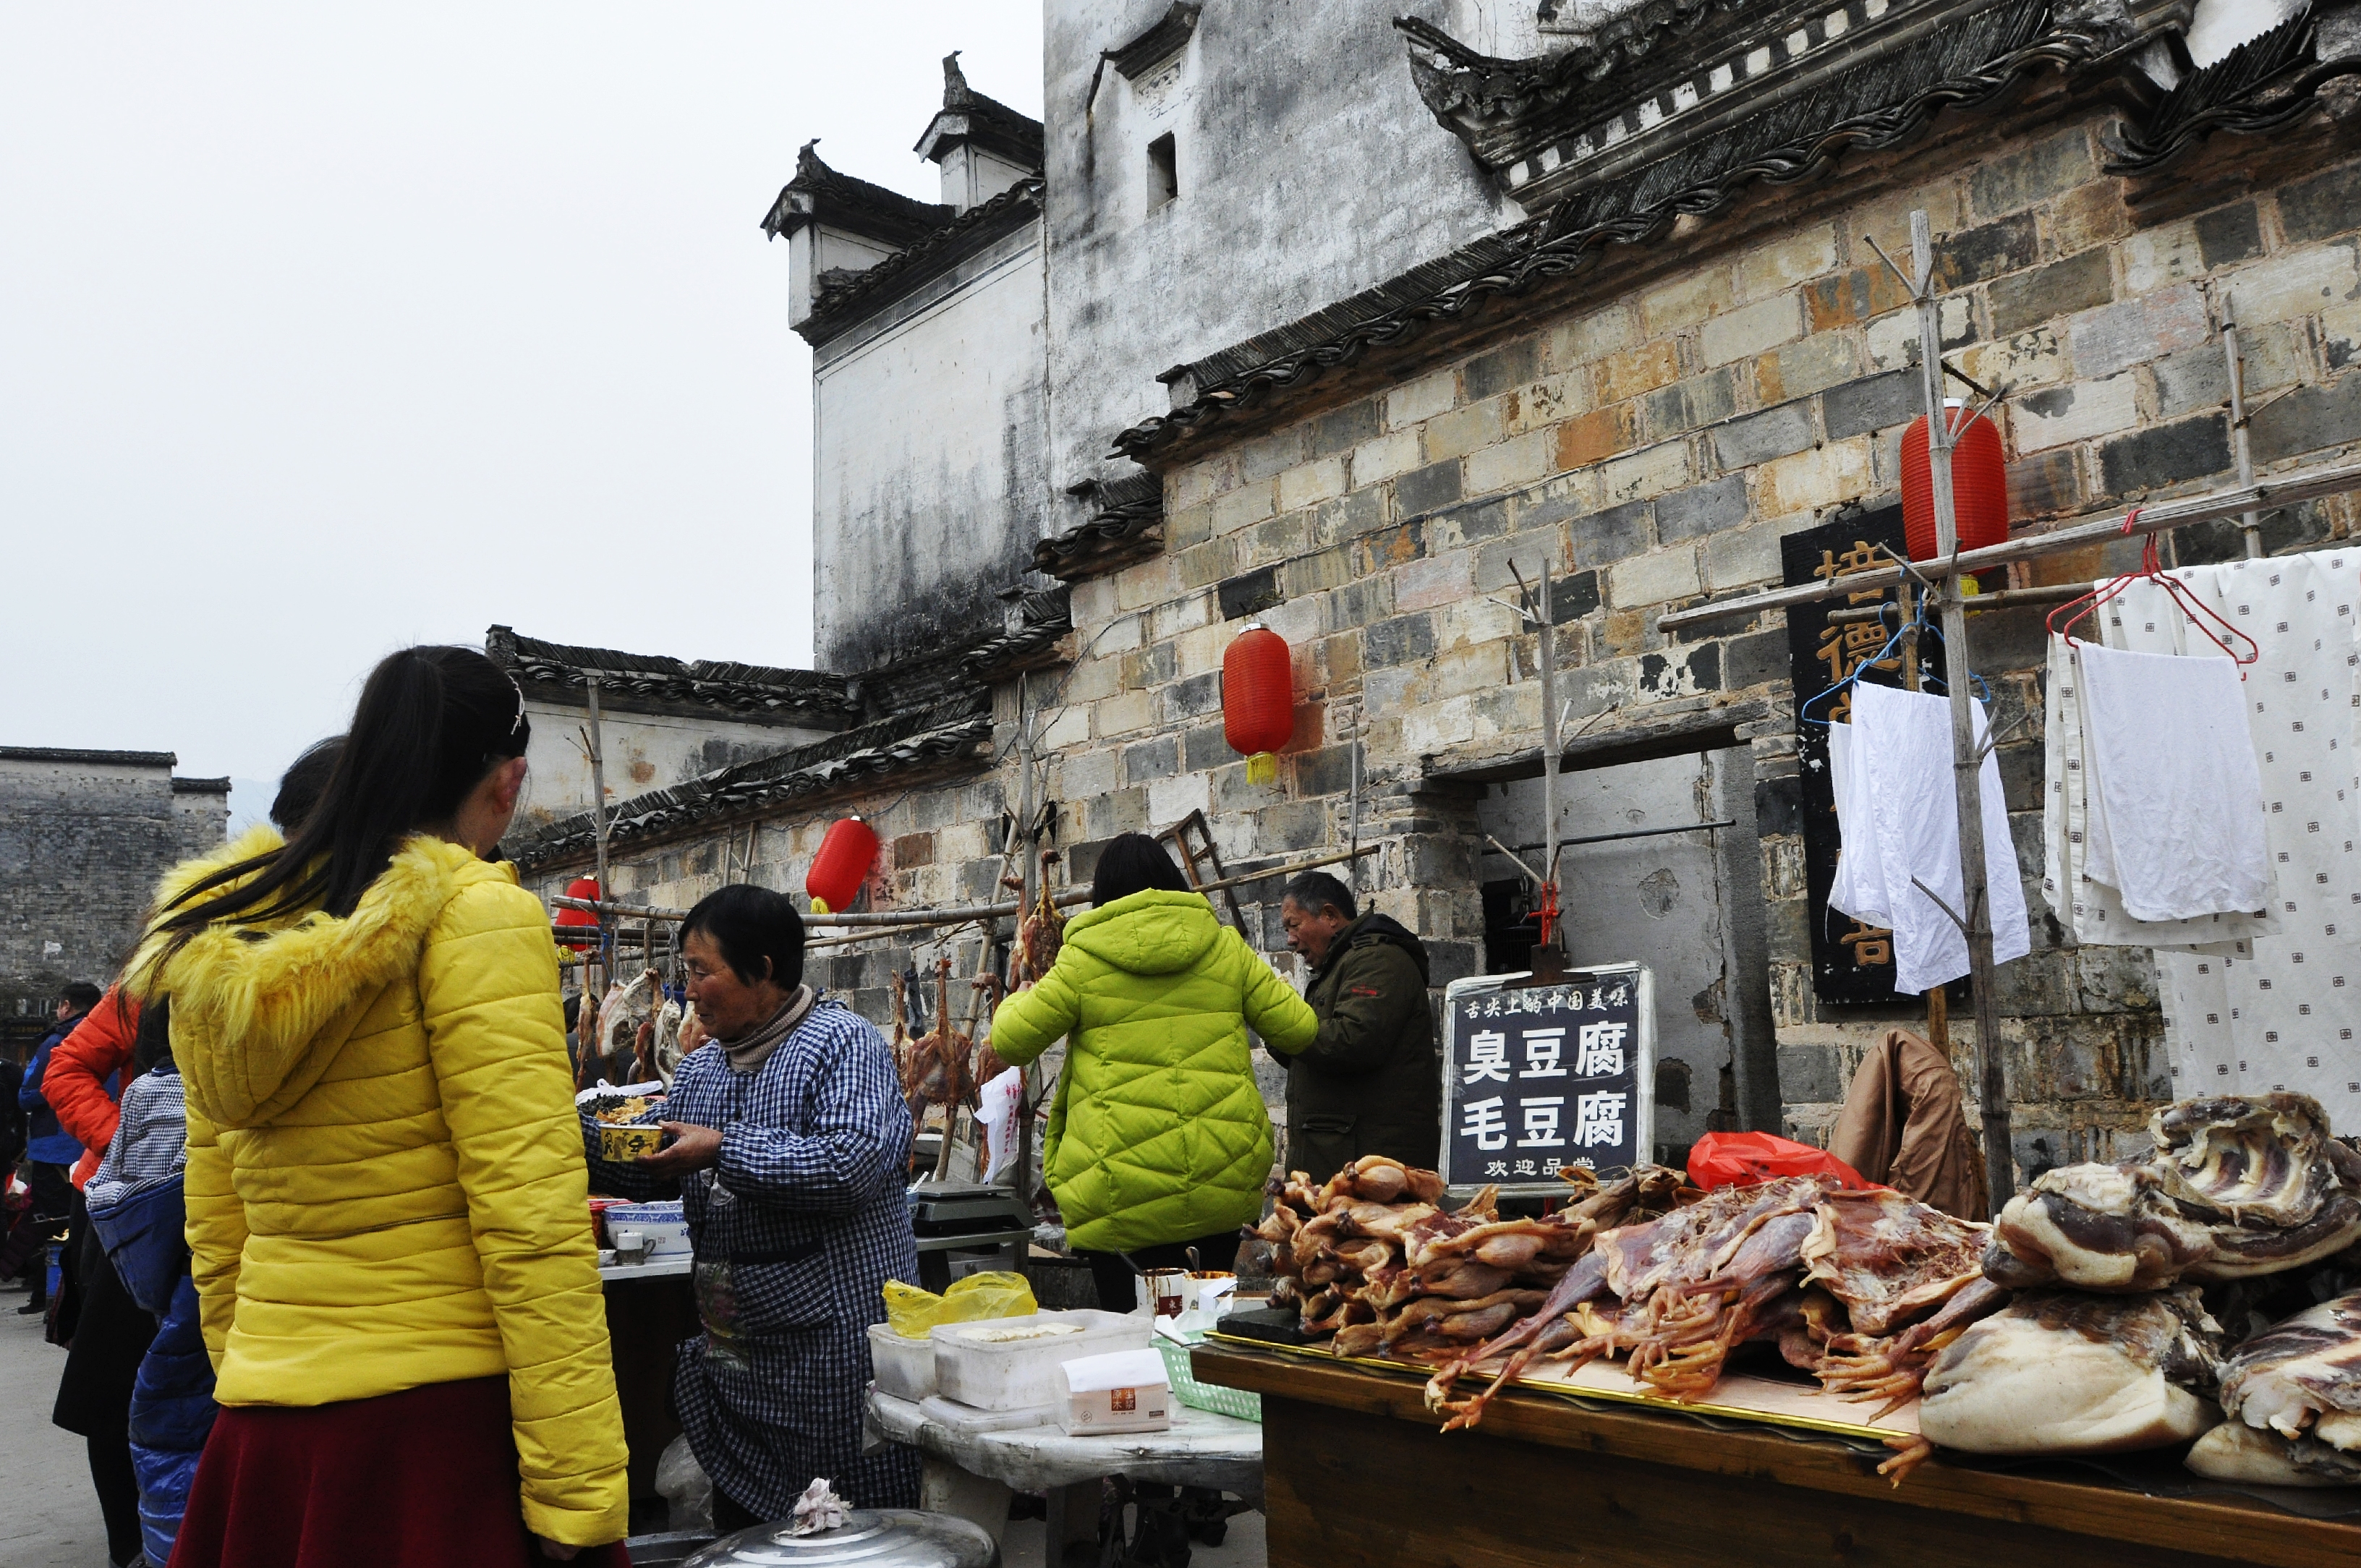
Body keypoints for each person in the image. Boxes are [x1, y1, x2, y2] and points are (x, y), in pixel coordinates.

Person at [133, 646, 628, 1567]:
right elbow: (531, 1220)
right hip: (433, 1427)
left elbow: (217, 1215)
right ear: (509, 780)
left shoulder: (232, 936)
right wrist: (578, 1489)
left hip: (267, 1428)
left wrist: (258, 1363)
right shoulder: (479, 916)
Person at [65, 738, 344, 1568]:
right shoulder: (157, 979)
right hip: (147, 1211)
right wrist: (126, 1138)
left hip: (215, 1209)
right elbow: (69, 1067)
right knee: (130, 1396)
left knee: (170, 1402)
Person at [587, 883, 919, 1527]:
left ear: (763, 969)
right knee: (751, 1536)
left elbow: (847, 1166)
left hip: (831, 1363)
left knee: (843, 1529)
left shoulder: (842, 1043)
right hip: (737, 1365)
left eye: (700, 971)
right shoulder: (707, 1067)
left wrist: (722, 1149)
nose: (686, 991)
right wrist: (569, 1141)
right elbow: (662, 1158)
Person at [990, 832, 1319, 1312]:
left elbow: (1010, 1041)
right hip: (1221, 1181)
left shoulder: (1082, 962)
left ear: (1102, 895)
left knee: (1133, 1350)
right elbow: (1300, 1029)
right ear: (1174, 883)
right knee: (1205, 1341)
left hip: (1117, 1192)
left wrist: (1020, 995)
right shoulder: (1224, 948)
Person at [1276, 872, 1442, 1186]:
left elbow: (1353, 1042)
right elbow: (1303, 1055)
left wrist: (1280, 1019)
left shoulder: (1378, 959)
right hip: (1339, 1164)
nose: (1290, 940)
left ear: (1330, 916)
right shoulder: (1338, 965)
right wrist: (1273, 1022)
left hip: (1370, 1171)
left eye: (1294, 926)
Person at [17, 981, 101, 1316]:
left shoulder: (56, 1042)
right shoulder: (115, 1039)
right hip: (96, 1144)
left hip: (55, 1145)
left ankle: (45, 1295)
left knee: (47, 1222)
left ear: (66, 1006)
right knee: (85, 1221)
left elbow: (28, 1094)